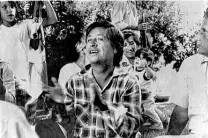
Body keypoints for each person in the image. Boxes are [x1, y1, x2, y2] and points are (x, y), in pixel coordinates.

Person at [45, 21, 142, 138]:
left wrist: (103, 106)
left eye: (100, 39)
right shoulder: (75, 81)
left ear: (115, 48)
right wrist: (59, 104)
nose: (92, 44)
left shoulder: (128, 83)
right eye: (89, 40)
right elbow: (67, 126)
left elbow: (131, 131)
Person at [0, 1, 58, 106]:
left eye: (12, 6)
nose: (9, 10)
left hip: (24, 85)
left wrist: (46, 1)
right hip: (4, 86)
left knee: (25, 120)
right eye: (4, 7)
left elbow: (52, 19)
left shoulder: (25, 25)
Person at [166, 9, 208, 138]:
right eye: (201, 30)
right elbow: (181, 113)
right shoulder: (190, 64)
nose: (199, 35)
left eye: (205, 31)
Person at [121, 31, 169, 130]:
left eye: (131, 43)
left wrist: (146, 66)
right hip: (135, 98)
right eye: (125, 45)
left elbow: (150, 75)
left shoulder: (142, 62)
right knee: (148, 109)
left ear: (137, 44)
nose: (129, 47)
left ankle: (158, 123)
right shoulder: (123, 64)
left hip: (144, 96)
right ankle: (163, 118)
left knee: (148, 109)